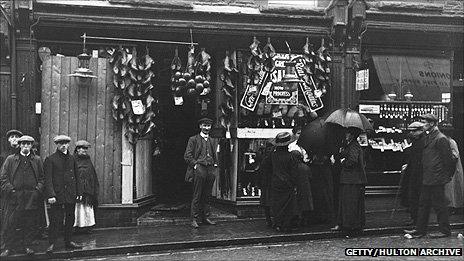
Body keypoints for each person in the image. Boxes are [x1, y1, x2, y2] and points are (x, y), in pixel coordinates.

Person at [406, 114, 454, 239]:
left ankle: (445, 230)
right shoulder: (429, 136)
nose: (422, 124)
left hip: (436, 178)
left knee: (439, 205)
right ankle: (420, 230)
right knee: (423, 204)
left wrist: (446, 176)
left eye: (424, 122)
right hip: (428, 177)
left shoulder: (440, 138)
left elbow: (448, 160)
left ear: (432, 123)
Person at [0, 135, 44, 257]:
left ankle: (27, 246)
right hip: (14, 197)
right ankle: (9, 247)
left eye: (28, 144)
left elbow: (42, 178)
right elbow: (3, 177)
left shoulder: (37, 160)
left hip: (31, 197)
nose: (26, 146)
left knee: (29, 223)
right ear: (19, 145)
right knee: (11, 223)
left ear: (31, 146)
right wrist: (11, 190)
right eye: (23, 144)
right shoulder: (10, 159)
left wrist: (37, 191)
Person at [43, 135, 82, 253]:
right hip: (57, 195)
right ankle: (52, 243)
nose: (63, 145)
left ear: (69, 144)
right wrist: (51, 195)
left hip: (70, 193)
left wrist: (79, 192)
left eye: (65, 143)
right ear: (57, 145)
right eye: (60, 143)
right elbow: (48, 179)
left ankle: (68, 241)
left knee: (70, 218)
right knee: (56, 219)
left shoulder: (72, 159)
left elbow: (77, 176)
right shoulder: (50, 159)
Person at [184, 118, 219, 229]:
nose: (206, 128)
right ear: (200, 126)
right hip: (199, 168)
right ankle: (194, 219)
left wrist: (215, 164)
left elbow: (215, 155)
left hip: (210, 169)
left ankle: (205, 217)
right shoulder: (193, 139)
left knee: (207, 195)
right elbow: (187, 155)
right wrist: (195, 165)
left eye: (208, 126)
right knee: (197, 194)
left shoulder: (213, 140)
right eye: (204, 125)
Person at [333, 127, 367, 237]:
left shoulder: (354, 146)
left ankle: (350, 226)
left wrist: (342, 161)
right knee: (347, 202)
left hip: (352, 179)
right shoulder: (350, 145)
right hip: (350, 179)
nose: (345, 135)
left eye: (347, 133)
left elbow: (352, 160)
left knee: (350, 203)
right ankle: (347, 224)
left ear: (352, 135)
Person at [270, 132, 299, 232]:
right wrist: (294, 183)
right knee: (287, 205)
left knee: (277, 204)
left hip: (276, 182)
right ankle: (285, 224)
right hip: (287, 183)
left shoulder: (273, 156)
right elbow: (294, 172)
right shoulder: (291, 157)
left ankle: (277, 223)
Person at [0, 129, 23, 253]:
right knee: (7, 220)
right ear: (8, 139)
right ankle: (6, 246)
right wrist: (8, 189)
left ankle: (20, 245)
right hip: (7, 193)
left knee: (21, 219)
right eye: (12, 137)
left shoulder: (24, 153)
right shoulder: (4, 155)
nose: (14, 139)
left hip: (22, 192)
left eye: (17, 137)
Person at [400, 121, 426, 226]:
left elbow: (419, 157)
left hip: (419, 174)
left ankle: (418, 221)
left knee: (417, 197)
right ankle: (414, 218)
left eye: (413, 131)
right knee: (412, 196)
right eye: (410, 131)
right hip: (413, 172)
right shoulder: (416, 141)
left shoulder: (423, 142)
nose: (411, 133)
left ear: (420, 131)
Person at [73, 140, 99, 234]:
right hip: (77, 190)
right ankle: (76, 227)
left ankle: (87, 227)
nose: (84, 150)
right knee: (77, 210)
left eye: (85, 149)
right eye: (82, 148)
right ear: (77, 149)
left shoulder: (88, 160)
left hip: (88, 190)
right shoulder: (73, 160)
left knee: (87, 209)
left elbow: (92, 174)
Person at [291, 150, 313, 227]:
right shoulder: (306, 167)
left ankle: (298, 220)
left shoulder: (294, 168)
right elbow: (310, 177)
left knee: (298, 204)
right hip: (306, 188)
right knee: (306, 204)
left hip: (298, 188)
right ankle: (305, 220)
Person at [443, 134, 463, 214]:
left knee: (452, 188)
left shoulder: (451, 142)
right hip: (449, 167)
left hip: (453, 168)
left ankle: (454, 206)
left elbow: (455, 154)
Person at [257, 141, 274, 227]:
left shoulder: (264, 159)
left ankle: (269, 219)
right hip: (269, 183)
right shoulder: (270, 159)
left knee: (267, 203)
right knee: (270, 202)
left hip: (266, 183)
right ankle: (269, 219)